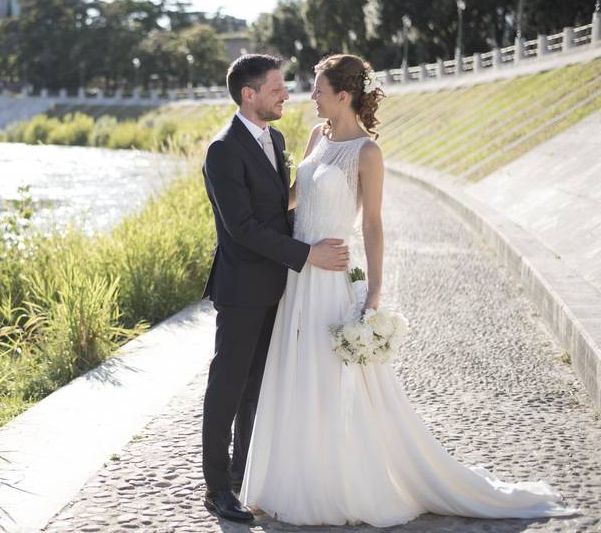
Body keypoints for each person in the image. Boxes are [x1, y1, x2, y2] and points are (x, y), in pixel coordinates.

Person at [239, 53, 575, 527]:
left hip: (333, 274)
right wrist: (249, 204)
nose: (309, 95)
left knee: (336, 377)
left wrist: (373, 291)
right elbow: (294, 197)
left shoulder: (367, 153)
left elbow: (373, 224)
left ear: (343, 94)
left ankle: (340, 483)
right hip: (299, 276)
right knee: (296, 372)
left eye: (317, 88)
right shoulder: (317, 137)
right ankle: (293, 478)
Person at [200, 53, 350, 523]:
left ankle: (245, 474)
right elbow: (242, 227)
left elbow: (276, 214)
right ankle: (217, 488)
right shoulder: (222, 150)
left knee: (256, 388)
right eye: (275, 88)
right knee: (227, 386)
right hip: (242, 288)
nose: (286, 94)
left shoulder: (277, 137)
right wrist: (308, 256)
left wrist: (316, 234)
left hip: (277, 287)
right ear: (249, 95)